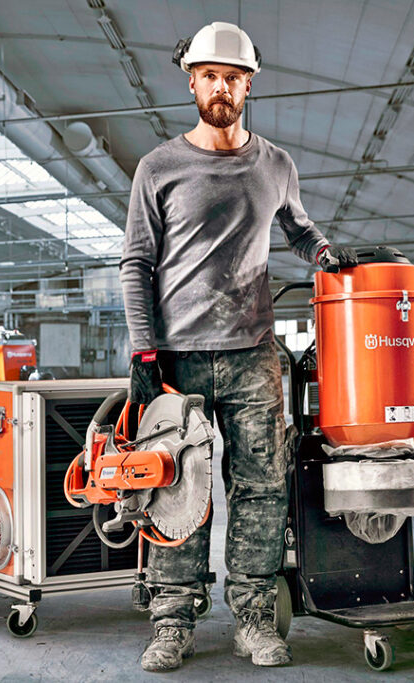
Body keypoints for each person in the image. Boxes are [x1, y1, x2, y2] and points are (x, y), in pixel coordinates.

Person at [119, 21, 358, 671]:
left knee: (260, 485)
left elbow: (301, 233)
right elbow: (136, 262)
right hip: (175, 358)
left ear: (248, 85)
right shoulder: (159, 168)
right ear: (190, 80)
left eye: (233, 77)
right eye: (209, 76)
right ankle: (173, 618)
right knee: (174, 488)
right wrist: (145, 350)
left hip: (253, 352)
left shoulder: (275, 164)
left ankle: (252, 617)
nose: (221, 87)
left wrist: (328, 255)